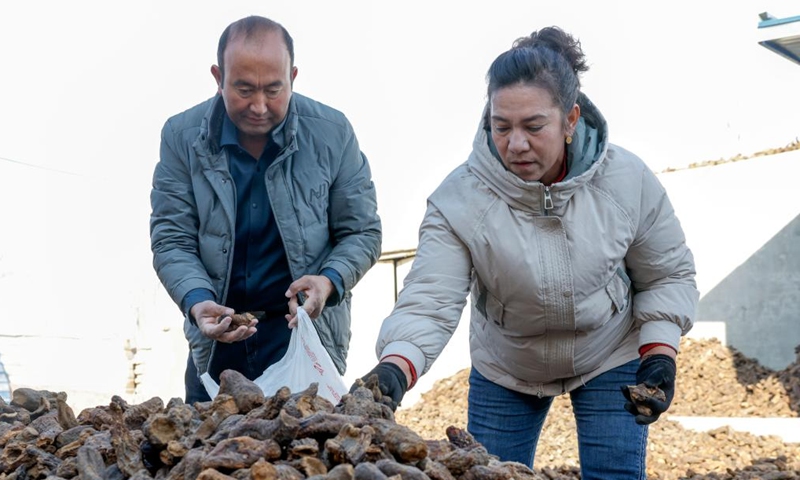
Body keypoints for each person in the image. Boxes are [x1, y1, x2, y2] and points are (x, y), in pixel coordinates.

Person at [354, 27, 698, 478]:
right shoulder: (460, 200)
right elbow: (430, 301)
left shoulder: (627, 182)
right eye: (502, 127)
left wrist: (659, 354)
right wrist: (394, 369)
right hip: (507, 366)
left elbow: (666, 275)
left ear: (571, 120)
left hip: (609, 351)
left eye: (533, 127)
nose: (516, 144)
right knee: (491, 473)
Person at [150, 15, 381, 404]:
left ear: (292, 76)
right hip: (216, 339)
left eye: (274, 90)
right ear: (217, 77)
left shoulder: (333, 133)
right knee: (204, 457)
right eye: (243, 89)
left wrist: (328, 281)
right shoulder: (181, 137)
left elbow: (362, 233)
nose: (259, 106)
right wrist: (196, 299)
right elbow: (171, 239)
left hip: (301, 339)